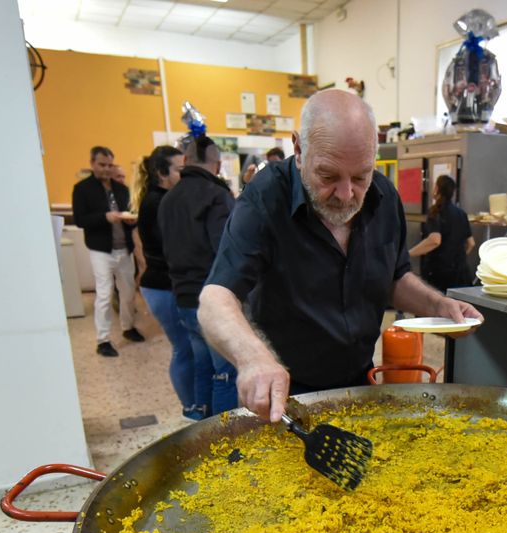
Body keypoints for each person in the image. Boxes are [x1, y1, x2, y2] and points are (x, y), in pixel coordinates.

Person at [199, 88, 482, 422]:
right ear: (300, 150)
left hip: (360, 379)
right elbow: (215, 298)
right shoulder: (265, 199)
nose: (347, 194)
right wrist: (252, 358)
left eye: (360, 176)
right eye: (328, 176)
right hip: (286, 391)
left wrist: (439, 306)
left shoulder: (384, 197)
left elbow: (394, 277)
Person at [160, 135, 240, 416]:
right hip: (211, 301)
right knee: (226, 373)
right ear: (217, 164)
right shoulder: (216, 196)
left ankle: (200, 426)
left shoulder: (168, 198)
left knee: (202, 366)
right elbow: (227, 252)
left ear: (185, 160)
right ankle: (226, 442)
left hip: (182, 296)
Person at [134, 145, 204, 419]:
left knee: (189, 347)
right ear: (162, 172)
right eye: (179, 169)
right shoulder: (157, 202)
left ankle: (195, 405)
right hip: (162, 286)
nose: (184, 174)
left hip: (166, 285)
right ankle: (190, 408)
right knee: (184, 348)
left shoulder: (166, 198)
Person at [72, 146, 140, 356]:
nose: (107, 169)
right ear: (93, 164)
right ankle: (103, 340)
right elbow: (80, 220)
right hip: (101, 250)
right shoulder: (83, 189)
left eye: (110, 165)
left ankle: (128, 327)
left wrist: (131, 220)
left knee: (128, 291)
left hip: (124, 248)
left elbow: (129, 212)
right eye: (102, 165)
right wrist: (104, 217)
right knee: (104, 293)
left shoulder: (121, 189)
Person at [408, 174, 475, 292]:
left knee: (438, 308)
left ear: (437, 189)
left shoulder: (435, 212)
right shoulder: (461, 213)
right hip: (461, 273)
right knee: (459, 308)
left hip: (439, 273)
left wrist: (410, 253)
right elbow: (471, 243)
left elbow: (434, 240)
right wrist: (456, 258)